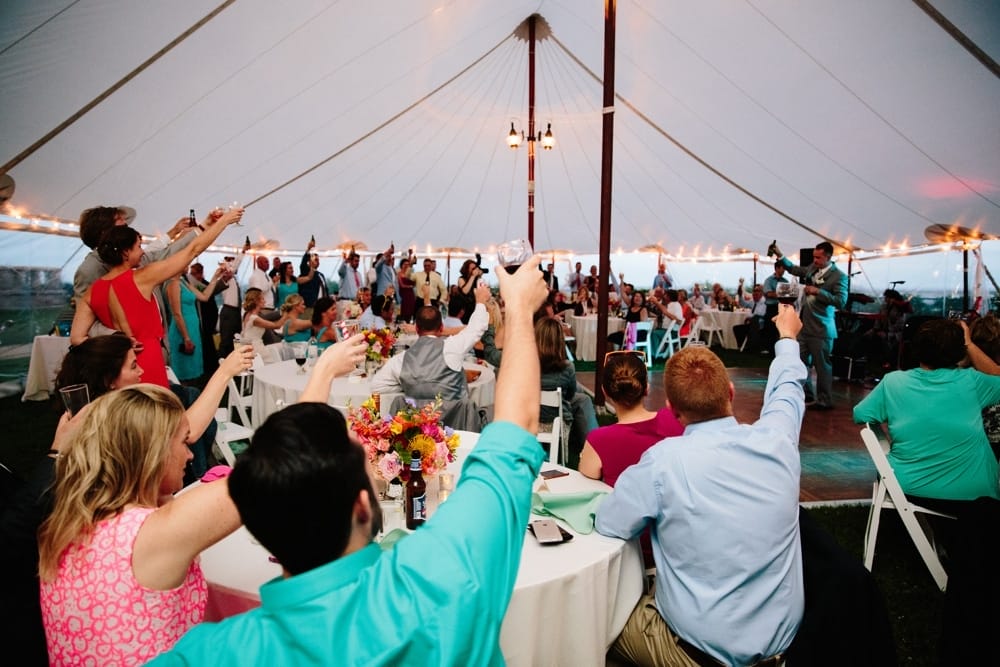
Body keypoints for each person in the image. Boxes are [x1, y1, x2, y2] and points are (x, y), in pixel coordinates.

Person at [148, 258, 550, 666]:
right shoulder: (438, 579)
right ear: (361, 504)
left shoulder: (215, 653)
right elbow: (515, 429)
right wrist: (518, 310)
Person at [596, 304, 806, 667]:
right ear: (730, 391)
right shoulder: (778, 442)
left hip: (694, 655)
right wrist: (787, 338)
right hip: (781, 650)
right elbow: (788, 389)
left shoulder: (664, 462)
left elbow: (610, 524)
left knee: (597, 619)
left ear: (673, 410)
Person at [70, 208, 243, 387]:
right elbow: (192, 251)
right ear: (124, 252)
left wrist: (114, 346)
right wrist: (224, 222)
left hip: (120, 370)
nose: (144, 253)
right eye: (138, 247)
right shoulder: (141, 278)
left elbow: (76, 338)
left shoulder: (95, 289)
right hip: (146, 359)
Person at [853, 318, 1000, 502]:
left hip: (906, 490)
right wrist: (969, 343)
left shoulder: (894, 382)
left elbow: (860, 414)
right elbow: (997, 374)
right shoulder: (973, 382)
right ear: (959, 350)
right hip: (972, 496)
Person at [72, 206, 196, 336]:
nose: (129, 231)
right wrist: (121, 337)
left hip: (156, 343)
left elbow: (167, 254)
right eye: (123, 227)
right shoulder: (89, 270)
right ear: (106, 233)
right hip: (123, 351)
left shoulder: (134, 258)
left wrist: (200, 230)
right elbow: (86, 324)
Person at [371, 282, 490, 402]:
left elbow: (376, 386)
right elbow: (476, 328)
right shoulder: (453, 348)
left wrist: (409, 386)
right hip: (456, 419)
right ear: (442, 328)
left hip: (421, 420)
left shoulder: (400, 360)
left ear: (416, 329)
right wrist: (480, 301)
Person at [578, 351, 683, 486]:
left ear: (605, 392)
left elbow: (587, 475)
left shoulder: (599, 439)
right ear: (647, 388)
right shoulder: (674, 418)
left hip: (624, 506)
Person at [772, 240, 848, 409]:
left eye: (818, 258)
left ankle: (824, 400)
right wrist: (779, 254)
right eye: (814, 256)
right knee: (799, 362)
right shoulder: (812, 269)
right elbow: (794, 269)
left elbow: (841, 301)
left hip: (821, 328)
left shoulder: (840, 276)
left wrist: (818, 291)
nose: (815, 260)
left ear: (828, 257)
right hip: (803, 326)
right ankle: (806, 395)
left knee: (822, 367)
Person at [536, 317, 597, 456]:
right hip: (556, 416)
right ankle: (593, 448)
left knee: (582, 398)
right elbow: (569, 395)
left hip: (532, 414)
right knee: (583, 399)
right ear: (559, 340)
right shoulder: (567, 367)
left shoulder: (527, 364)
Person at [166, 265, 223, 383]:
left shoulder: (183, 282)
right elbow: (177, 314)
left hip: (192, 330)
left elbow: (205, 296)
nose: (187, 265)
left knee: (192, 371)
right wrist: (186, 338)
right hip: (182, 331)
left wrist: (215, 277)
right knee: (182, 372)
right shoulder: (173, 284)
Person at [188, 262, 225, 376]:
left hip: (207, 319)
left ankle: (210, 367)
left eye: (194, 273)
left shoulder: (204, 285)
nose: (192, 276)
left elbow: (209, 302)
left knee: (208, 344)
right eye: (191, 273)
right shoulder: (187, 283)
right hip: (199, 319)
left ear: (200, 274)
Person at [240, 288, 291, 354]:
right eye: (262, 299)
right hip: (255, 349)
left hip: (251, 346)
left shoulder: (248, 314)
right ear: (256, 301)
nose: (265, 301)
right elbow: (276, 326)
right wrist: (286, 315)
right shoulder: (254, 319)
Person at [247, 255, 280, 344]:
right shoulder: (256, 276)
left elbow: (270, 289)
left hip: (270, 308)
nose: (268, 264)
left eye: (268, 262)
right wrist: (272, 282)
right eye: (266, 262)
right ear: (259, 263)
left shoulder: (266, 276)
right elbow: (258, 291)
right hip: (264, 309)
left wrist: (274, 284)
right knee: (268, 336)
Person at [762, 261, 788, 354]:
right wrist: (782, 293)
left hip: (782, 307)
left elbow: (788, 294)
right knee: (770, 329)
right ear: (777, 268)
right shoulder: (769, 280)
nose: (784, 270)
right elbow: (768, 293)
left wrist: (777, 293)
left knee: (781, 329)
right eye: (782, 268)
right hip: (772, 307)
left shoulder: (785, 281)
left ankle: (780, 348)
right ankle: (769, 349)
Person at [298, 238, 329, 308]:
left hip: (322, 306)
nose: (317, 261)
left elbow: (325, 289)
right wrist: (308, 249)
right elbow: (303, 263)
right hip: (310, 305)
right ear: (309, 262)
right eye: (315, 259)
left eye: (318, 260)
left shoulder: (321, 275)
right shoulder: (306, 271)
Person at [453, 258, 484, 325]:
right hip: (465, 309)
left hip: (475, 308)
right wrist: (473, 276)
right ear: (467, 269)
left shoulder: (477, 279)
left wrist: (479, 277)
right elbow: (465, 291)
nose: (474, 270)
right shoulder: (461, 279)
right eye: (472, 268)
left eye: (475, 268)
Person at [336, 250, 364, 319]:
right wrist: (346, 260)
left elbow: (361, 289)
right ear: (350, 261)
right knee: (345, 326)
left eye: (358, 261)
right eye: (355, 261)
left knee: (355, 326)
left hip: (356, 303)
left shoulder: (359, 274)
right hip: (345, 302)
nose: (357, 263)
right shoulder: (345, 271)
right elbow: (340, 271)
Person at [397, 253, 418, 321]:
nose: (406, 266)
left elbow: (414, 283)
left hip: (411, 294)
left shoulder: (410, 274)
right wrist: (410, 286)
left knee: (410, 311)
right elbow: (401, 285)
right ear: (401, 265)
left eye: (407, 265)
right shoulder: (399, 274)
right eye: (404, 264)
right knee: (404, 311)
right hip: (403, 294)